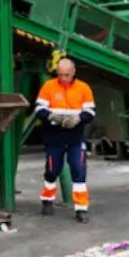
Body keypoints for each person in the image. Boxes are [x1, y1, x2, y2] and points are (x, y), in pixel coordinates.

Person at [33, 58, 95, 223]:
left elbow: (90, 112)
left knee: (79, 171)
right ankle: (47, 200)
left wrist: (78, 118)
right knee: (52, 170)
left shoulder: (83, 88)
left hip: (75, 137)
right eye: (60, 75)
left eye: (67, 75)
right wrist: (52, 116)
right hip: (54, 137)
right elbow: (39, 109)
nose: (64, 78)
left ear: (73, 72)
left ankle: (81, 209)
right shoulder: (49, 87)